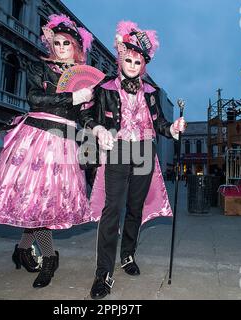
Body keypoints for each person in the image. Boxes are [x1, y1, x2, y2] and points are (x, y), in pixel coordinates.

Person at [0, 14, 95, 288]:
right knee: (36, 201)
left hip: (64, 143)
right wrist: (72, 97)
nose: (61, 48)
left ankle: (23, 249)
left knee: (42, 203)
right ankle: (49, 257)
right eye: (57, 43)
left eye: (67, 43)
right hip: (37, 137)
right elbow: (35, 98)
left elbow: (84, 118)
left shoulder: (83, 80)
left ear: (76, 48)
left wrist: (96, 127)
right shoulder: (41, 69)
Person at [80, 20, 187, 299]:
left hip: (143, 151)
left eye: (137, 62)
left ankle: (127, 255)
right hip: (117, 149)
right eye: (127, 59)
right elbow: (87, 115)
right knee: (111, 209)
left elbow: (160, 123)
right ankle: (103, 273)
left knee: (135, 209)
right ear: (120, 58)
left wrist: (173, 128)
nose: (132, 65)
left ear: (144, 65)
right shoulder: (105, 87)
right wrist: (99, 128)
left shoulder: (151, 94)